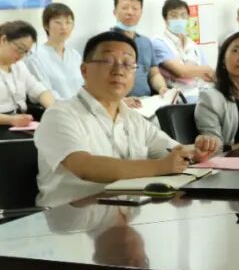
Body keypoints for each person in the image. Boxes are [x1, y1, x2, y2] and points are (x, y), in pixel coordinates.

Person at [34, 31, 219, 208]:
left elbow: (172, 151)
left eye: (128, 64)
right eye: (107, 61)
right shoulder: (59, 114)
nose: (119, 71)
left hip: (126, 215)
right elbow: (83, 166)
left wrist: (195, 152)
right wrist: (160, 166)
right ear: (84, 70)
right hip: (70, 220)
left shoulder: (134, 119)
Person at [152, 0, 214, 103]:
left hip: (203, 94)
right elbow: (181, 72)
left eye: (183, 15)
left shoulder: (194, 46)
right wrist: (203, 70)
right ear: (165, 19)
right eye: (174, 16)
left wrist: (203, 71)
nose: (179, 19)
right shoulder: (158, 42)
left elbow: (209, 75)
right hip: (181, 99)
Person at [111, 0, 168, 99]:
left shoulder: (146, 42)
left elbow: (153, 74)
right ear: (114, 12)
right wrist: (121, 100)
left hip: (146, 102)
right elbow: (99, 81)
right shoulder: (105, 42)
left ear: (141, 12)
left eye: (135, 8)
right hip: (119, 103)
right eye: (125, 8)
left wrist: (162, 88)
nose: (130, 12)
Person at [0, 21, 55, 131]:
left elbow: (38, 90)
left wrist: (55, 109)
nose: (21, 55)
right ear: (3, 40)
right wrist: (11, 120)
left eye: (26, 52)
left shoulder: (19, 66)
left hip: (22, 121)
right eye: (19, 48)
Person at [26, 3, 83, 100]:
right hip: (56, 107)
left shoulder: (75, 55)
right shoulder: (35, 57)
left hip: (81, 106)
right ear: (46, 25)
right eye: (58, 22)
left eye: (68, 22)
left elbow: (84, 86)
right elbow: (45, 92)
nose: (64, 27)